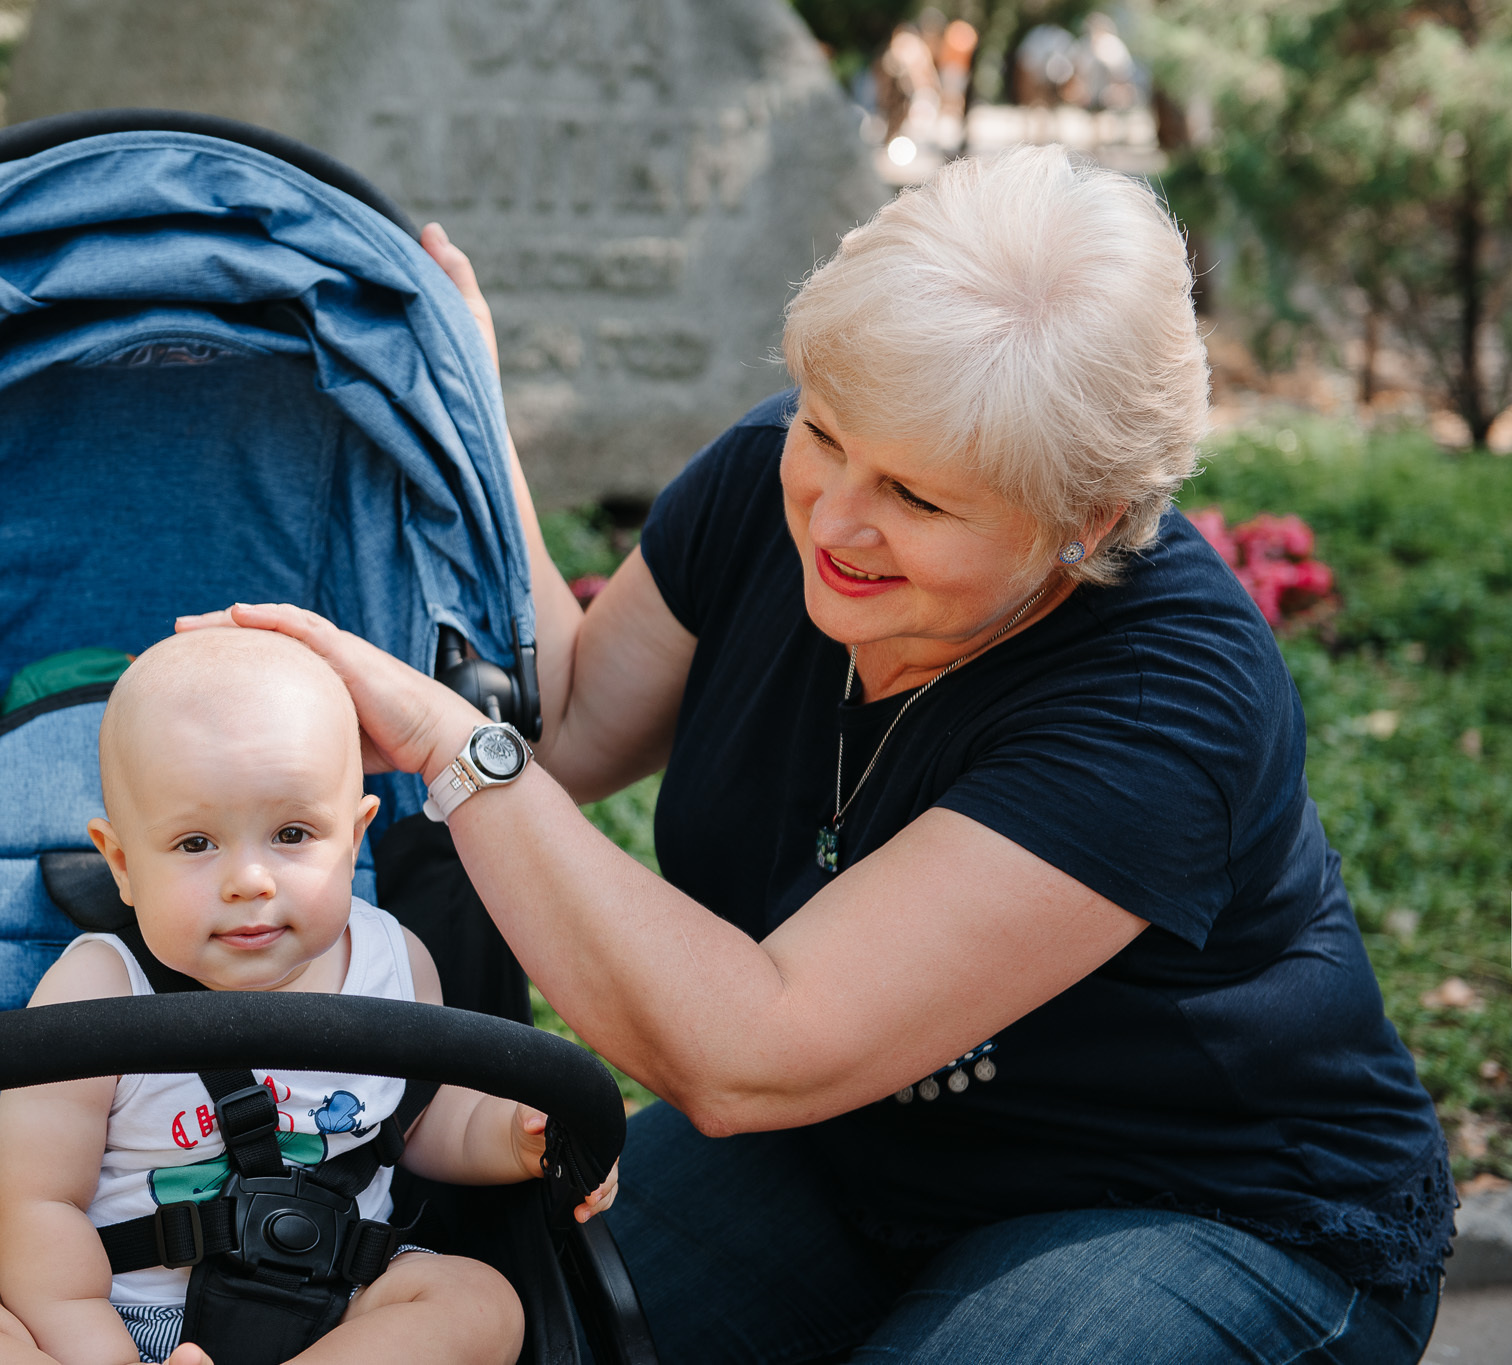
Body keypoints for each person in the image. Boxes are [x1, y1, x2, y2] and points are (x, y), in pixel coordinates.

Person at [181, 146, 1453, 1363]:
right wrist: (473, 416)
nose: (834, 521)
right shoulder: (766, 482)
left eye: (919, 497)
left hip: (1203, 1203)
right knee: (495, 1323)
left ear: (1087, 519)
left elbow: (748, 1055)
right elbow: (569, 725)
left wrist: (454, 751)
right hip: (848, 1154)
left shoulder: (1163, 697)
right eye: (826, 433)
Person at [0, 629, 617, 1365]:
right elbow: (38, 1201)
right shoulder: (95, 990)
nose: (250, 881)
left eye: (292, 833)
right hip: (124, 1310)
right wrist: (98, 1350)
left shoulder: (394, 964)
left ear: (353, 839)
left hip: (339, 1310)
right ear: (122, 863)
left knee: (480, 1302)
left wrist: (517, 1136)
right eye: (196, 844)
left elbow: (423, 1117)